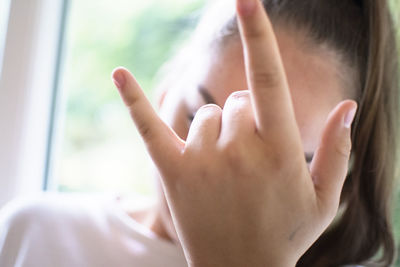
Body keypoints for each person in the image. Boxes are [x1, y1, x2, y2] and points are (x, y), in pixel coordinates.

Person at [0, 0, 398, 266]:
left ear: (338, 179)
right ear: (167, 89)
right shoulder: (34, 233)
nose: (219, 165)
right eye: (199, 116)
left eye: (276, 154)